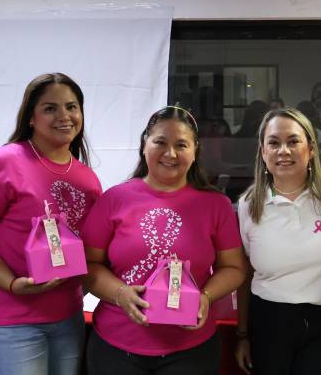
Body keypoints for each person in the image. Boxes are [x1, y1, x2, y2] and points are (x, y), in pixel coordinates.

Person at [0, 72, 102, 375]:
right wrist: (12, 283)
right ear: (30, 117)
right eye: (50, 108)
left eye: (72, 107)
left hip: (67, 317)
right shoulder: (1, 164)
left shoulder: (86, 178)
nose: (65, 116)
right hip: (9, 321)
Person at [81, 105, 246, 375]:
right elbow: (88, 264)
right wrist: (120, 294)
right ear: (144, 145)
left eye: (181, 145)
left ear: (195, 153)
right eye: (160, 142)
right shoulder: (114, 199)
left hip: (191, 350)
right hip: (116, 347)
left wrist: (205, 297)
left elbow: (234, 268)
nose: (170, 154)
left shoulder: (216, 204)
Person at [234, 108, 321, 375]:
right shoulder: (248, 204)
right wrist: (243, 335)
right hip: (269, 321)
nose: (283, 151)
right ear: (263, 152)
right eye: (274, 143)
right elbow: (244, 272)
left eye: (293, 141)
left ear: (311, 148)